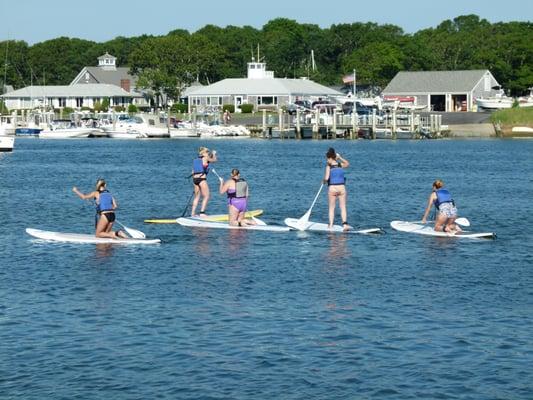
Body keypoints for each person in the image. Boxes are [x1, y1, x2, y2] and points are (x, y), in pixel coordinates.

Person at [323, 147, 351, 231]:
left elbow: (327, 178)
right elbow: (347, 163)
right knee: (343, 207)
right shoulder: (340, 165)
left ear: (330, 158)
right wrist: (340, 157)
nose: (327, 160)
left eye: (327, 159)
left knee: (332, 208)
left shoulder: (328, 166)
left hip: (333, 189)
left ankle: (331, 225)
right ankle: (345, 225)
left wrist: (323, 181)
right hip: (342, 189)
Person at [191, 146, 217, 216]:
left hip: (195, 179)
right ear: (204, 153)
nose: (208, 153)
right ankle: (202, 213)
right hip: (201, 179)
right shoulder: (205, 158)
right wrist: (214, 153)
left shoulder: (196, 160)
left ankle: (192, 213)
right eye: (207, 152)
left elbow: (192, 171)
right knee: (207, 195)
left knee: (197, 197)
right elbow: (214, 160)